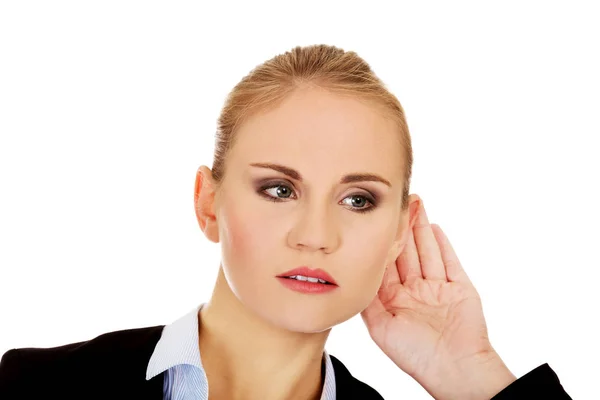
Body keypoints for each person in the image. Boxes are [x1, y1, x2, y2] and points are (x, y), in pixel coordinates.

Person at [0, 44, 572, 400]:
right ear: (207, 203)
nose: (316, 236)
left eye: (358, 200)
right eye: (279, 189)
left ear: (402, 227)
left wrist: (472, 380)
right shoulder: (31, 388)